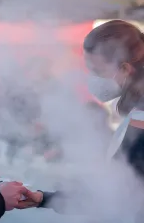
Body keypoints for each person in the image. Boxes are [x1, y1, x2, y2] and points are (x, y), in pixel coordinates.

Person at [16, 20, 144, 213]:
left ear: (125, 69)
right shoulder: (136, 116)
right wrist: (44, 199)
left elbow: (124, 202)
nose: (91, 79)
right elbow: (115, 192)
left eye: (97, 71)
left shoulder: (140, 124)